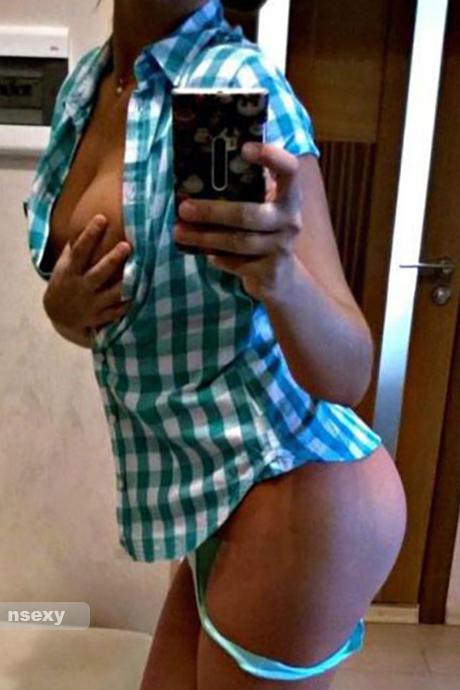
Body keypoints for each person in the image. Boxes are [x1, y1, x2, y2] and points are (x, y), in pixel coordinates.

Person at [25, 1, 407, 688]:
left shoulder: (230, 88)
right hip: (213, 493)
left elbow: (348, 374)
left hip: (292, 483)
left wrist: (280, 277)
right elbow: (108, 308)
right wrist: (63, 311)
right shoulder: (89, 88)